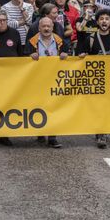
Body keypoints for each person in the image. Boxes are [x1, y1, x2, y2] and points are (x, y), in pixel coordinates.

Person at [76, 9, 110, 149]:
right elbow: (82, 56)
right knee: (98, 106)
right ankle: (100, 133)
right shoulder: (90, 39)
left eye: (107, 19)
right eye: (101, 19)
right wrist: (82, 56)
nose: (104, 21)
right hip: (96, 80)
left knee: (107, 105)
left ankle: (103, 129)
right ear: (97, 22)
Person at [26, 17, 67, 148]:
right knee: (39, 106)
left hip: (55, 80)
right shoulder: (31, 42)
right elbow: (23, 58)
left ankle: (52, 137)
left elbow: (69, 55)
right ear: (39, 28)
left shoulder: (60, 41)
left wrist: (66, 55)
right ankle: (40, 133)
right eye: (43, 26)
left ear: (52, 27)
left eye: (49, 26)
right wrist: (29, 56)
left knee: (53, 106)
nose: (46, 29)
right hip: (37, 80)